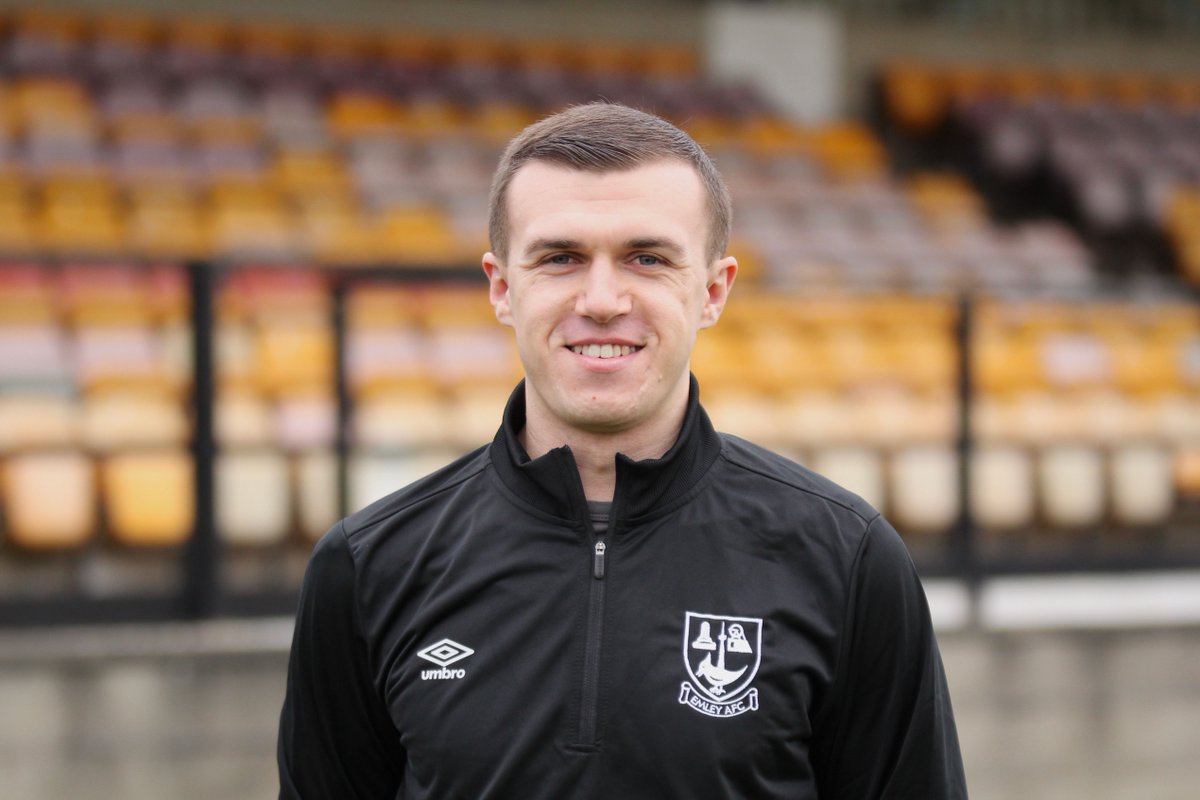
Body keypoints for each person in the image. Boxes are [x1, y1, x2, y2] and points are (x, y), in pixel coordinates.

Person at [278, 102, 967, 799]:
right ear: (502, 287)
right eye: (560, 258)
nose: (603, 300)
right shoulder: (369, 567)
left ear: (713, 290)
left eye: (647, 258)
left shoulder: (847, 560)